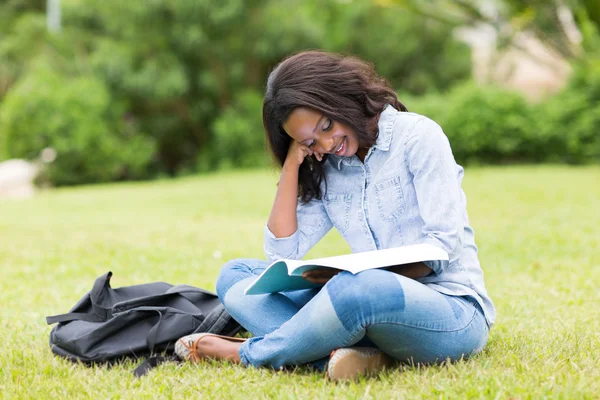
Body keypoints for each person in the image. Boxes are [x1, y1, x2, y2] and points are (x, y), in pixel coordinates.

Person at [175, 51, 496, 380]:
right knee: (237, 276)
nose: (328, 143)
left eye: (327, 125)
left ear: (342, 97)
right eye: (312, 140)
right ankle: (352, 357)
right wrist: (291, 164)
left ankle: (249, 353)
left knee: (357, 289)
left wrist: (352, 279)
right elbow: (282, 254)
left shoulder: (418, 138)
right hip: (363, 304)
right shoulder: (330, 166)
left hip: (451, 310)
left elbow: (443, 248)